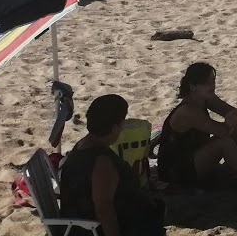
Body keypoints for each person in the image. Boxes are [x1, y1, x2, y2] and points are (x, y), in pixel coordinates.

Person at [59, 94, 166, 236]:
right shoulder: (101, 162)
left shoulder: (85, 143)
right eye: (122, 123)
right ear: (115, 128)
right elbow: (104, 210)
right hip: (91, 228)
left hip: (87, 218)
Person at [158, 62, 237, 191]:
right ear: (193, 86)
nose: (211, 85)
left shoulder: (205, 98)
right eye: (206, 83)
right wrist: (229, 121)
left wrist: (232, 117)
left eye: (213, 81)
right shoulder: (187, 111)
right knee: (225, 143)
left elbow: (232, 111)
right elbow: (222, 132)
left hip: (193, 156)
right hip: (175, 170)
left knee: (236, 129)